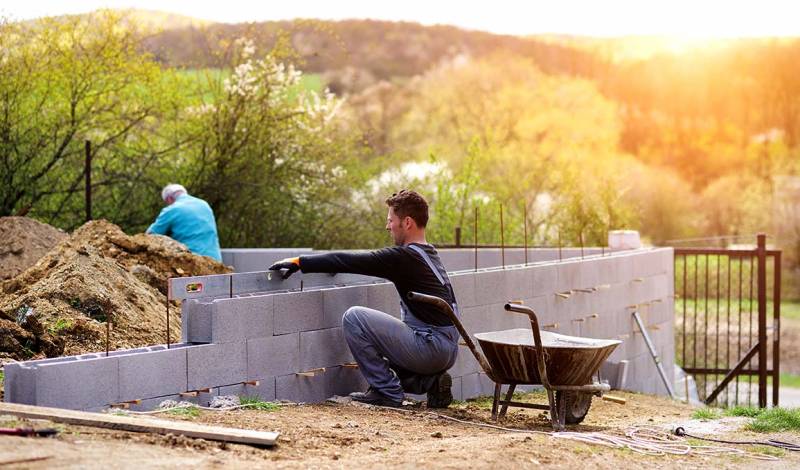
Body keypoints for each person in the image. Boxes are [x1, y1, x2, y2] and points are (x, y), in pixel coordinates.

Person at [269, 190, 459, 408]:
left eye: (390, 221)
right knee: (385, 352)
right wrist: (331, 265)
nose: (388, 227)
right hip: (446, 348)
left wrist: (299, 262)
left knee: (355, 318)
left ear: (407, 222)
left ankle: (386, 393)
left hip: (430, 346)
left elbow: (353, 260)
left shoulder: (404, 258)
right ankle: (432, 381)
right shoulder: (428, 253)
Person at [147, 184, 222, 262]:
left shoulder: (172, 209)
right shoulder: (204, 204)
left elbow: (150, 235)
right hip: (216, 261)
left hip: (193, 262)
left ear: (169, 199)